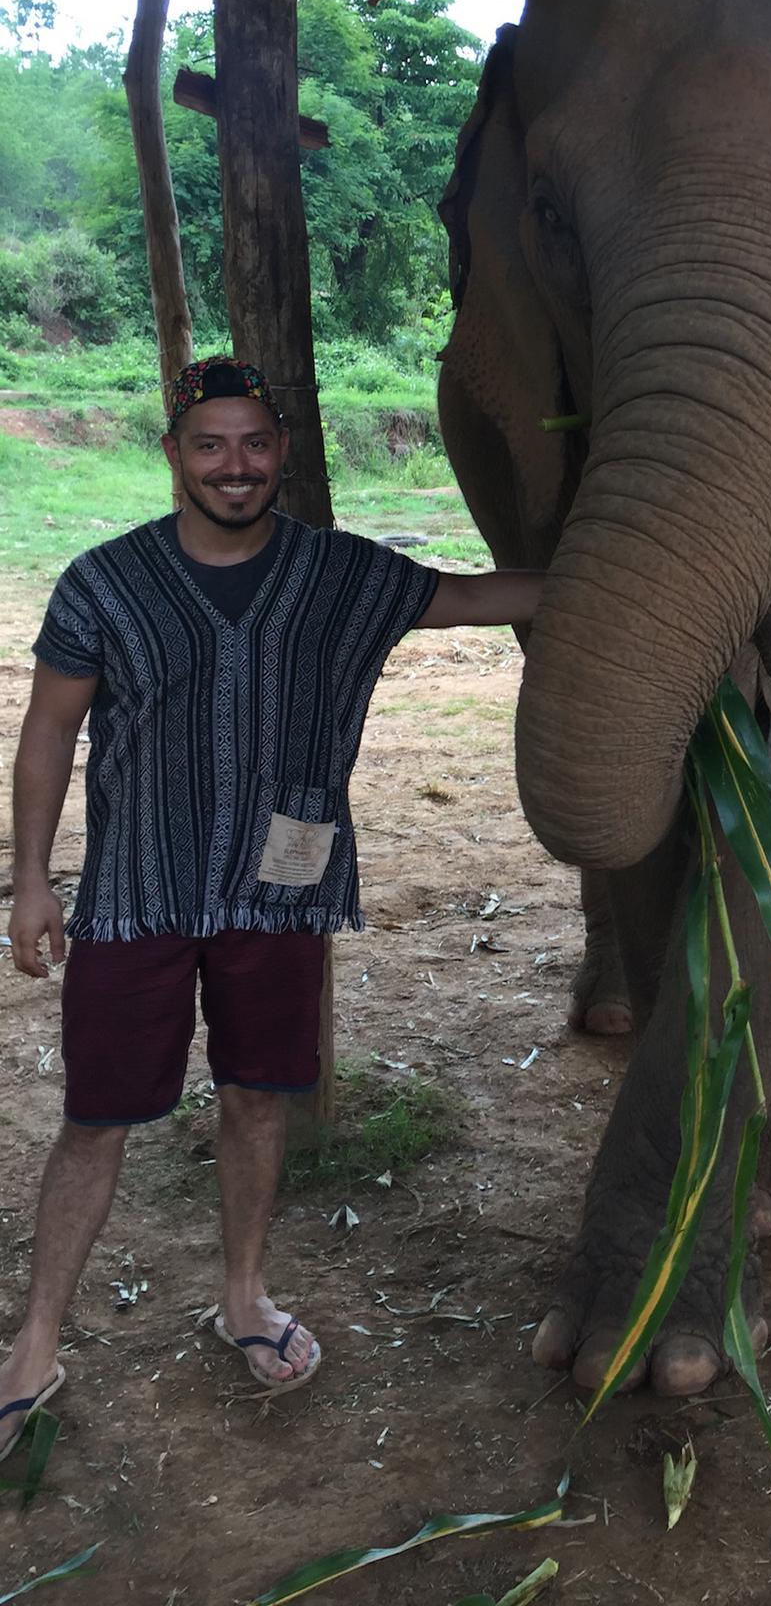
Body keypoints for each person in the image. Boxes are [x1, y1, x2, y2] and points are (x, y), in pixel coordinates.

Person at [1, 357, 545, 1457]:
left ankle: (244, 1293)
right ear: (173, 454)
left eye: (254, 443)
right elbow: (51, 728)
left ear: (283, 453)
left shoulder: (343, 575)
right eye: (210, 444)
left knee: (258, 1099)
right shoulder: (104, 582)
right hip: (136, 892)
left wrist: (654, 555)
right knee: (96, 1118)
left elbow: (490, 597)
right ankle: (35, 1338)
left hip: (278, 891)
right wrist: (28, 879)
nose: (234, 464)